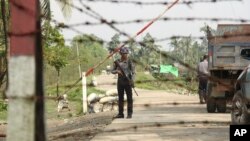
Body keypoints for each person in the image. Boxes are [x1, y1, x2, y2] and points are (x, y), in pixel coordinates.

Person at [111, 47, 135, 119]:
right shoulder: (117, 62)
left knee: (129, 98)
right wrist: (117, 71)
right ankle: (121, 114)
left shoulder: (130, 61)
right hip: (120, 82)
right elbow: (112, 71)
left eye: (126, 53)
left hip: (128, 82)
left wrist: (132, 80)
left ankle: (129, 113)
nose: (125, 55)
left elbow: (133, 72)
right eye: (123, 53)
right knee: (120, 98)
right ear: (120, 54)